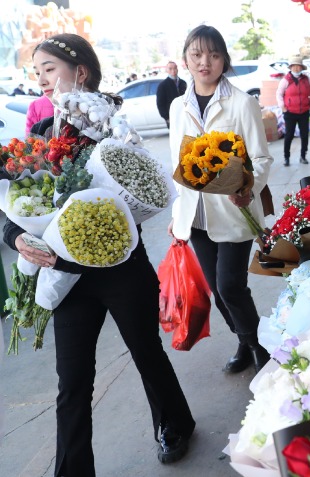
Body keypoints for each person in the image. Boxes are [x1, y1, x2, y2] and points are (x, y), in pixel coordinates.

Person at [4, 33, 196, 475]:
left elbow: (142, 196)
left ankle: (174, 423)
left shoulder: (115, 131)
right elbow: (17, 198)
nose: (42, 80)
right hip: (66, 275)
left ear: (80, 71)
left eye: (49, 69)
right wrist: (16, 235)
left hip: (119, 269)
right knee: (71, 384)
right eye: (37, 72)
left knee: (147, 352)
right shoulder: (38, 135)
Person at [167, 25, 273, 375]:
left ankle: (260, 348)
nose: (204, 62)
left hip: (233, 210)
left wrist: (248, 188)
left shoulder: (242, 103)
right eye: (196, 54)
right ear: (185, 60)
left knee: (231, 286)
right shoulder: (177, 106)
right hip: (195, 215)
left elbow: (260, 158)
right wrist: (177, 212)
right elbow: (177, 164)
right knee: (218, 289)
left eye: (213, 55)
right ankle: (244, 340)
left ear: (224, 60)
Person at [276, 55, 310, 166]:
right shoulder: (286, 80)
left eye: (299, 66)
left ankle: (303, 156)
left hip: (304, 112)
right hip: (290, 113)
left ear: (302, 67)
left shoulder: (306, 79)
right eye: (294, 66)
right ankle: (286, 158)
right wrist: (282, 106)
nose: (296, 69)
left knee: (304, 135)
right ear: (291, 67)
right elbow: (279, 93)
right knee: (289, 135)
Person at [156, 61, 187, 128]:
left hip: (185, 117)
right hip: (172, 118)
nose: (173, 70)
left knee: (188, 138)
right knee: (177, 138)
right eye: (170, 68)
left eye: (175, 68)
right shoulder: (163, 85)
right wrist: (167, 118)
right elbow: (160, 104)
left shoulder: (183, 83)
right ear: (166, 70)